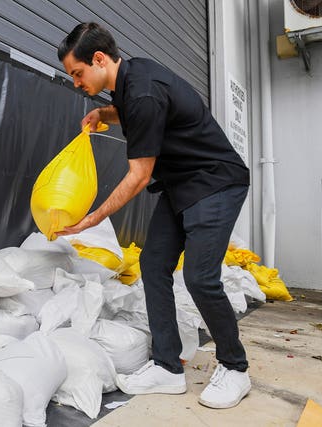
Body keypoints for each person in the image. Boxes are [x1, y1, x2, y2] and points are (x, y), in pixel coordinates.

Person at [56, 22, 251, 409]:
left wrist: (93, 219)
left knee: (200, 277)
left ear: (98, 59)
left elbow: (139, 175)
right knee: (154, 263)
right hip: (182, 185)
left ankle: (235, 367)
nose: (76, 83)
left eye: (77, 74)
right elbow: (128, 110)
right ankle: (167, 366)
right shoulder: (131, 79)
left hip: (215, 182)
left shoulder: (142, 90)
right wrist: (104, 116)